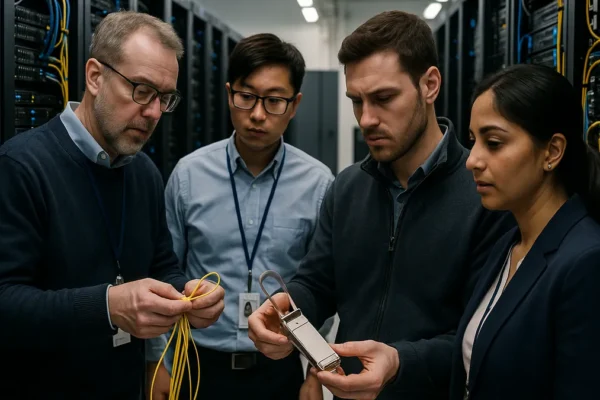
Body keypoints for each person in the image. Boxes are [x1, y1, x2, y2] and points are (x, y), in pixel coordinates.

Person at [248, 10, 514, 400]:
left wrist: (399, 363)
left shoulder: (484, 194)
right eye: (356, 101)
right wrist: (291, 308)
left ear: (430, 84)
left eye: (383, 98)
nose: (366, 119)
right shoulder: (348, 187)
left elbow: (484, 335)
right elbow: (319, 282)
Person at [0, 11, 224, 399]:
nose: (154, 112)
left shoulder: (145, 173)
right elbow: (6, 301)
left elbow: (160, 264)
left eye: (164, 98)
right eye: (141, 90)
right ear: (94, 76)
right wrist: (106, 306)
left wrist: (185, 293)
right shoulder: (22, 166)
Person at [147, 33, 335, 400]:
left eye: (275, 100)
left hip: (279, 369)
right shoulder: (188, 176)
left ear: (294, 104)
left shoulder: (318, 184)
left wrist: (318, 369)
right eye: (246, 96)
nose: (258, 114)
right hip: (196, 366)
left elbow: (323, 287)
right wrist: (159, 363)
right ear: (229, 93)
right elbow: (162, 273)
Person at [448, 64, 600, 400]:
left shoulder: (585, 262)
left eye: (494, 142)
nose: (472, 160)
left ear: (552, 151)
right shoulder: (510, 242)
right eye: (474, 141)